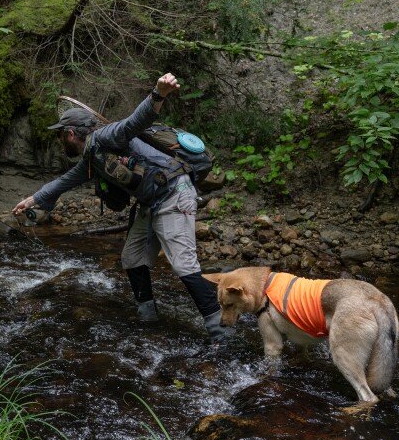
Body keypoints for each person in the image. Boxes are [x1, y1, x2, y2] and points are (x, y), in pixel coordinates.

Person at [12, 73, 234, 345]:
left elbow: (136, 121)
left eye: (61, 135)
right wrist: (32, 200)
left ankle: (222, 334)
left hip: (175, 192)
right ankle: (148, 320)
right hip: (151, 201)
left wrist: (158, 94)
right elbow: (64, 182)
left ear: (71, 134)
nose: (60, 141)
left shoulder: (106, 135)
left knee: (184, 265)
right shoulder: (92, 156)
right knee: (133, 258)